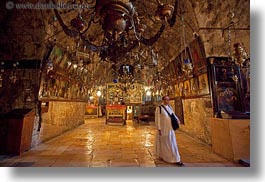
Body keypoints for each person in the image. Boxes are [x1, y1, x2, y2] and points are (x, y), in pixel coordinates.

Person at [155, 95, 184, 166]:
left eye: (168, 100)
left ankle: (175, 158)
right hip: (163, 128)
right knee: (164, 143)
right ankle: (163, 156)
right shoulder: (159, 108)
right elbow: (157, 119)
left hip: (170, 129)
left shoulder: (170, 107)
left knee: (171, 143)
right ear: (163, 100)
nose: (167, 101)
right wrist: (159, 128)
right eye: (165, 100)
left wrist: (177, 120)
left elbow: (173, 115)